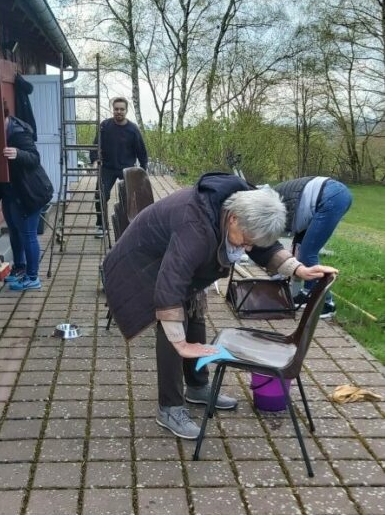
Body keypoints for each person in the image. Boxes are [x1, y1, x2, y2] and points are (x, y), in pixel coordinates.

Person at [103, 172, 338, 440]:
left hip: (174, 255)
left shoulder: (244, 204)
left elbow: (261, 243)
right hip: (142, 259)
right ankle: (169, 407)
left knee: (195, 311)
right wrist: (181, 343)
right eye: (245, 239)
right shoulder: (195, 227)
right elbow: (169, 286)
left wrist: (299, 269)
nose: (248, 247)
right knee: (172, 325)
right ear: (233, 218)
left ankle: (197, 386)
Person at [0, 102, 51, 291]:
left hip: (29, 192)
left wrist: (18, 153)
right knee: (14, 231)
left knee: (28, 234)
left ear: (4, 116)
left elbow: (34, 158)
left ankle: (33, 278)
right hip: (9, 190)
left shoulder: (18, 132)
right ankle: (19, 268)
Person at [275, 176, 352, 318]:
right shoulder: (271, 199)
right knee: (300, 248)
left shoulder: (271, 206)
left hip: (332, 196)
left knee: (307, 253)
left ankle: (327, 304)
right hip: (326, 195)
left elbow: (273, 240)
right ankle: (307, 293)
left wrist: (277, 272)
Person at [90, 97, 148, 238]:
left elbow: (141, 150)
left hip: (126, 168)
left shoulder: (133, 129)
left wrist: (143, 169)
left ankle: (132, 226)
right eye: (116, 109)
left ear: (126, 111)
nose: (119, 112)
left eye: (122, 109)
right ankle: (101, 226)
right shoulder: (105, 126)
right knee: (100, 195)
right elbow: (95, 144)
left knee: (131, 198)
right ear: (113, 109)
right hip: (107, 168)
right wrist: (94, 159)